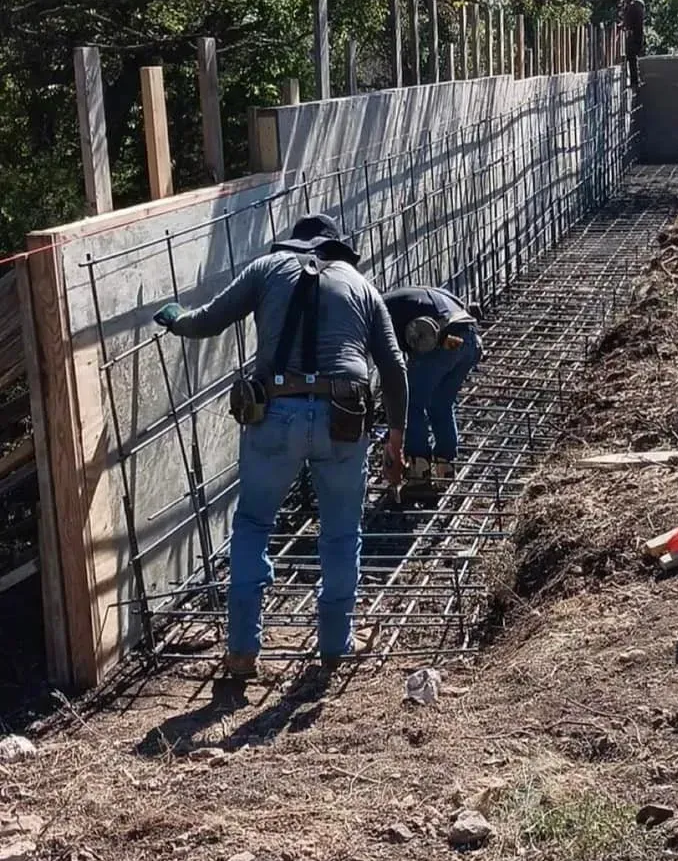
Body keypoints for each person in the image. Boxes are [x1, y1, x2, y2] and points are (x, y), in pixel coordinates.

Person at [152, 212, 408, 682]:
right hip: (343, 417)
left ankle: (242, 649)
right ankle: (334, 646)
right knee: (340, 533)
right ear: (337, 248)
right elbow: (393, 367)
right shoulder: (362, 287)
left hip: (274, 413)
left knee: (253, 523)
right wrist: (396, 439)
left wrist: (175, 319)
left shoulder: (266, 270)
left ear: (294, 244)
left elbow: (207, 321)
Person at [381, 284, 481, 501]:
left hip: (442, 342)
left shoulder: (376, 312)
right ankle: (445, 466)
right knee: (440, 403)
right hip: (471, 341)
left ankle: (419, 472)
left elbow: (391, 368)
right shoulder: (405, 299)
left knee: (411, 403)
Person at [621, 0, 646, 91]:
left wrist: (623, 25)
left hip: (632, 34)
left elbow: (628, 21)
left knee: (631, 58)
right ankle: (638, 79)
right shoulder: (640, 4)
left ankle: (634, 81)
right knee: (636, 57)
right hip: (640, 34)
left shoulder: (631, 7)